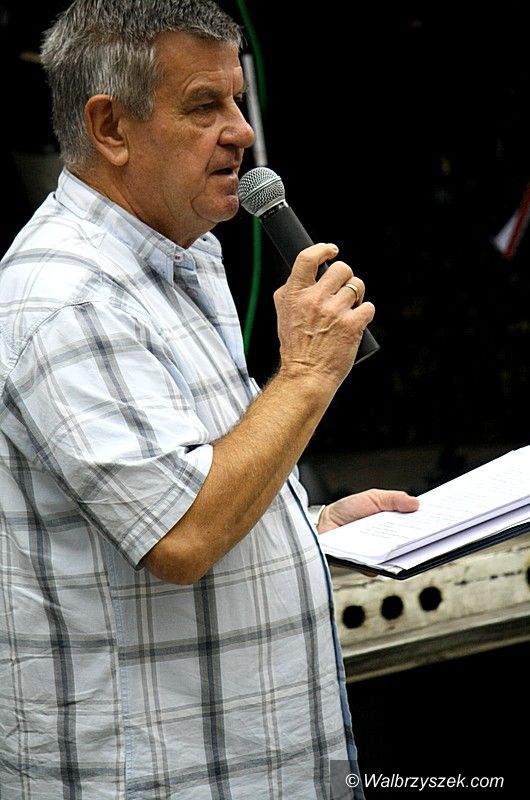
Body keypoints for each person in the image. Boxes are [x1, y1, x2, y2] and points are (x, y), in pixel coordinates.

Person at [0, 1, 419, 797]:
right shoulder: (66, 297)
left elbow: (185, 483)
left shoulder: (186, 260)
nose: (241, 131)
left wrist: (305, 530)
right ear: (111, 127)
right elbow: (182, 534)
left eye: (237, 99)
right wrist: (307, 375)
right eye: (204, 106)